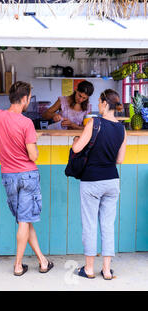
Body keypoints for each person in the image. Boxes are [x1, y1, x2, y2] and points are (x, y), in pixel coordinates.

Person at [0, 81, 53, 276]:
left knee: (24, 220)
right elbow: (33, 155)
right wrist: (34, 140)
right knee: (25, 221)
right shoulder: (26, 123)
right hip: (27, 176)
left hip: (9, 176)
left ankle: (43, 261)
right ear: (25, 99)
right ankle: (18, 265)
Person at [71, 89, 126, 280]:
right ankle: (107, 270)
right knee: (108, 225)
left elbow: (77, 148)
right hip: (112, 180)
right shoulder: (121, 128)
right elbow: (120, 160)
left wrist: (76, 141)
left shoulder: (94, 123)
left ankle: (88, 269)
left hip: (92, 181)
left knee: (90, 224)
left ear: (103, 103)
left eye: (99, 101)